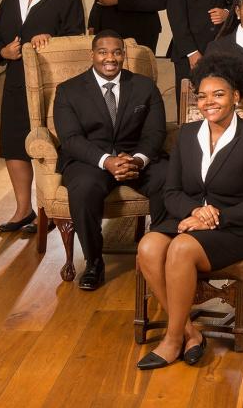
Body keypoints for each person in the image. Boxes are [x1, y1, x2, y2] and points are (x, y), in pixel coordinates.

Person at [135, 54, 243, 369]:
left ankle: (172, 341)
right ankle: (189, 332)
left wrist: (216, 217)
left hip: (240, 226)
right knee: (148, 246)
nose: (208, 102)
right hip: (189, 217)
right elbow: (170, 191)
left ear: (236, 96)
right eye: (202, 95)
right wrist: (198, 212)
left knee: (181, 249)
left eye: (219, 94)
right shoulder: (187, 135)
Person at [53, 31, 168, 290]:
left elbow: (156, 132)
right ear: (92, 55)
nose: (110, 58)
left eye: (116, 52)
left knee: (168, 177)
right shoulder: (68, 91)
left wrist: (137, 160)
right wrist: (106, 161)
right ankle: (94, 262)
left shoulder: (144, 86)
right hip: (90, 160)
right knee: (83, 189)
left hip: (134, 157)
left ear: (123, 56)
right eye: (103, 52)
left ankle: (160, 255)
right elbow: (70, 139)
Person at [0, 0, 85, 233]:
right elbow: (0, 40)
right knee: (14, 145)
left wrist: (51, 41)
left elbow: (76, 43)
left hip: (51, 84)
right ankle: (23, 210)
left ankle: (48, 211)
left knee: (48, 147)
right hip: (16, 82)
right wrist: (3, 52)